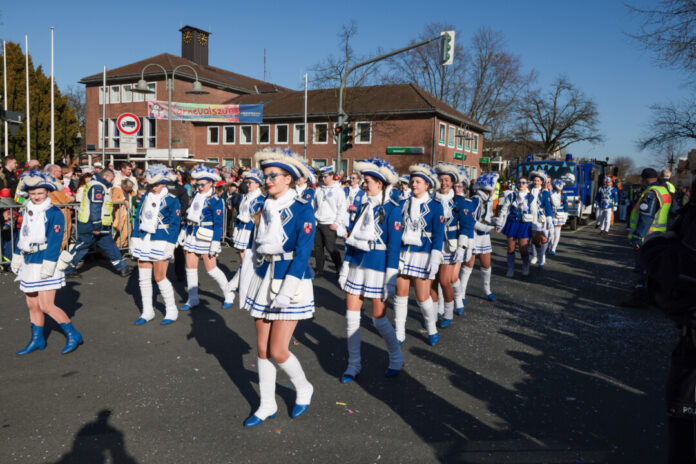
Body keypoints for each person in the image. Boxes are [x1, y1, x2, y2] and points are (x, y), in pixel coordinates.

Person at [230, 148, 316, 427]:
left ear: (289, 179)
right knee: (262, 348)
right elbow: (254, 249)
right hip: (263, 276)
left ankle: (303, 387)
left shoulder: (303, 208)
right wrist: (245, 281)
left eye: (274, 176)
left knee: (279, 350)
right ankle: (266, 404)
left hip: (289, 279)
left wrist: (287, 290)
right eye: (266, 176)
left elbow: (303, 254)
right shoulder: (263, 206)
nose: (268, 180)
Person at [337, 158, 404, 383]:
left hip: (378, 267)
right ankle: (353, 364)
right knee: (351, 317)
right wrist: (346, 264)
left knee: (378, 320)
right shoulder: (363, 206)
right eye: (363, 181)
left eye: (367, 181)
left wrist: (391, 278)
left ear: (379, 183)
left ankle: (396, 357)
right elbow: (352, 238)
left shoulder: (393, 210)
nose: (363, 185)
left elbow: (394, 247)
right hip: (357, 263)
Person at [11, 171, 83, 355]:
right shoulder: (27, 208)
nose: (36, 197)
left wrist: (48, 264)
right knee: (32, 305)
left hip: (45, 261)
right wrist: (18, 255)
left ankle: (73, 334)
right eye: (33, 193)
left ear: (47, 192)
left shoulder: (54, 212)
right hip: (29, 260)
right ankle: (38, 340)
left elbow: (55, 240)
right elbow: (23, 234)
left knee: (46, 305)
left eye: (40, 193)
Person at [393, 163, 444, 346]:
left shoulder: (436, 206)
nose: (414, 184)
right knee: (400, 294)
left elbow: (438, 234)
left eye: (418, 182)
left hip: (423, 253)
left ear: (427, 185)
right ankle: (399, 332)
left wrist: (435, 257)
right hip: (403, 252)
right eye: (412, 181)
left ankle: (431, 327)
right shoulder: (402, 203)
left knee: (422, 297)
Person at [129, 165, 182, 325]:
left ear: (164, 183)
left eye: (157, 185)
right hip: (145, 238)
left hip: (161, 239)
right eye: (151, 185)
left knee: (159, 277)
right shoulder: (146, 197)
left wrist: (171, 244)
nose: (154, 188)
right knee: (143, 278)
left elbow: (175, 223)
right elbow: (138, 218)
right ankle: (147, 311)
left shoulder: (172, 200)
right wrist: (135, 237)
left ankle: (171, 309)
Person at [58, 169, 132, 277]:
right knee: (81, 247)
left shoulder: (97, 185)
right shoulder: (97, 187)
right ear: (106, 177)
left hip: (99, 224)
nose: (111, 181)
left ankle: (122, 267)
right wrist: (96, 225)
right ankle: (67, 270)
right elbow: (95, 207)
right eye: (111, 179)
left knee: (110, 246)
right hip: (92, 224)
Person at [180, 165, 234, 310]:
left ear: (211, 183)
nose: (200, 187)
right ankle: (193, 299)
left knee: (211, 269)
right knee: (190, 268)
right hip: (192, 235)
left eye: (203, 184)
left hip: (206, 237)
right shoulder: (197, 196)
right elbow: (190, 216)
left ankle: (228, 293)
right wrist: (183, 231)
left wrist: (216, 242)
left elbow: (218, 223)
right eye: (198, 184)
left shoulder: (215, 199)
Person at [622, 168, 672, 306]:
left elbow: (646, 218)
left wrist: (638, 238)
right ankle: (651, 296)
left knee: (643, 268)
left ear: (644, 179)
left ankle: (640, 298)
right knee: (651, 269)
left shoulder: (651, 194)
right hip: (660, 235)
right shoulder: (664, 191)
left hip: (647, 236)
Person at [432, 163, 473, 328]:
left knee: (444, 281)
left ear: (452, 182)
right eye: (441, 180)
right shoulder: (431, 199)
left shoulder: (460, 201)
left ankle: (448, 312)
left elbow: (466, 226)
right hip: (433, 245)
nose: (444, 183)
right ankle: (435, 311)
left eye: (447, 180)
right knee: (432, 282)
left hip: (450, 246)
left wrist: (462, 247)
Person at [456, 173, 498, 322]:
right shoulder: (475, 199)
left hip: (484, 236)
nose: (494, 190)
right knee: (469, 263)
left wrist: (495, 221)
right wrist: (488, 227)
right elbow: (471, 220)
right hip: (474, 234)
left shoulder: (488, 200)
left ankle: (487, 289)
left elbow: (487, 217)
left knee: (486, 264)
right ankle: (461, 293)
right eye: (493, 188)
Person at [312, 165, 347, 279]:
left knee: (331, 248)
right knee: (318, 248)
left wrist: (336, 223)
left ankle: (339, 267)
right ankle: (319, 270)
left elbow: (342, 208)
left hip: (330, 223)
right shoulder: (318, 190)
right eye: (322, 176)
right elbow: (314, 206)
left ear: (332, 176)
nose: (323, 179)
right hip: (318, 223)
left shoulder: (338, 191)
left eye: (326, 176)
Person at [497, 177, 533, 277]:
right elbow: (504, 210)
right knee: (510, 248)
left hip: (525, 223)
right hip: (512, 223)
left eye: (523, 182)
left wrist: (536, 226)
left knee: (523, 247)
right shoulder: (511, 195)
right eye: (519, 182)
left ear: (527, 184)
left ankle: (526, 264)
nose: (521, 184)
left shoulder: (531, 197)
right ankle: (510, 268)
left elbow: (535, 211)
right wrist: (499, 223)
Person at [231, 168, 265, 260]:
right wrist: (236, 229)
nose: (248, 185)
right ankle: (243, 271)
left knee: (250, 254)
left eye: (250, 182)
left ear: (258, 184)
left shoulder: (262, 199)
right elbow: (239, 213)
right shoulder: (243, 197)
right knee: (242, 252)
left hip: (252, 231)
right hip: (242, 228)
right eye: (247, 182)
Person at [527, 171, 555, 269]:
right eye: (534, 180)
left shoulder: (544, 192)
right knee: (533, 239)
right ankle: (535, 256)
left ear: (541, 182)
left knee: (541, 239)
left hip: (540, 218)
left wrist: (549, 219)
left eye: (538, 180)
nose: (535, 182)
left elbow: (547, 207)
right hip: (530, 217)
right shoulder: (528, 191)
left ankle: (542, 255)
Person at [548, 179, 569, 254]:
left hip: (560, 215)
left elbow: (566, 205)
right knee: (551, 232)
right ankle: (549, 245)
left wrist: (566, 215)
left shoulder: (563, 195)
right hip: (552, 214)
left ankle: (553, 248)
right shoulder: (550, 193)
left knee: (557, 232)